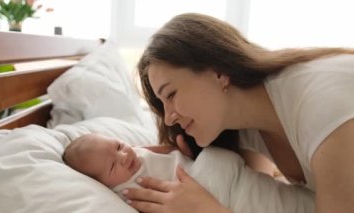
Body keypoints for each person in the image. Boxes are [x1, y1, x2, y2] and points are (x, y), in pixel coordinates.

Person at [121, 12, 354, 213]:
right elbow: (253, 196)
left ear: (219, 72)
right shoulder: (244, 124)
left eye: (171, 95)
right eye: (163, 105)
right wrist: (183, 164)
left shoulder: (322, 106)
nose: (169, 116)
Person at [63, 133, 315, 213]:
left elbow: (164, 150)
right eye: (111, 166)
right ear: (104, 183)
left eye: (118, 146)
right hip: (213, 195)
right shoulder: (125, 191)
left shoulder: (135, 152)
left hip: (223, 177)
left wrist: (178, 149)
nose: (123, 156)